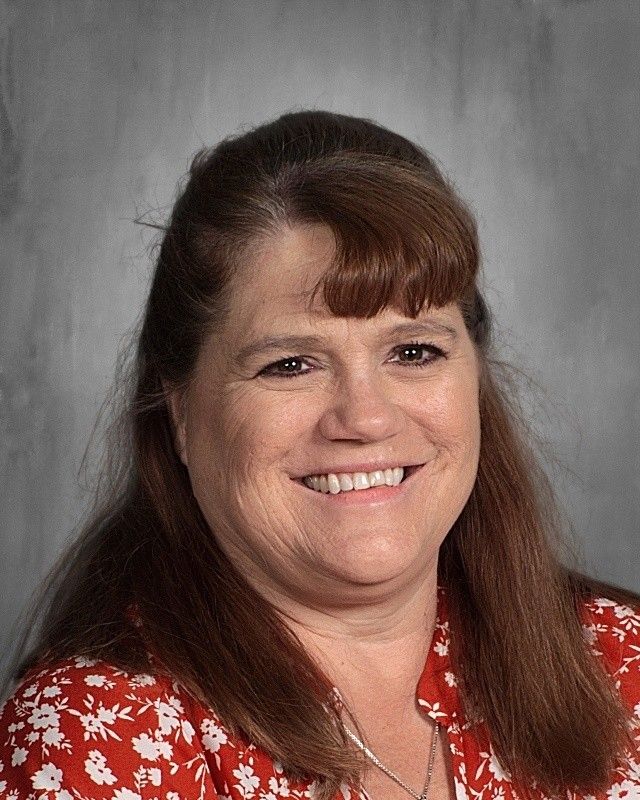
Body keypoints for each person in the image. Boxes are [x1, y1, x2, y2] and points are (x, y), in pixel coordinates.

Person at [0, 110, 638, 800]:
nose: (365, 418)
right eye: (291, 364)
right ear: (182, 411)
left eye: (414, 351)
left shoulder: (620, 664)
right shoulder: (93, 734)